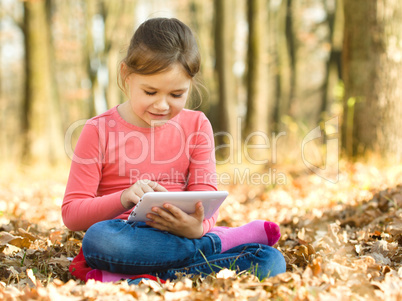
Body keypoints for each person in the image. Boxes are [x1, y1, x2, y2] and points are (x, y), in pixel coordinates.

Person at [62, 17, 286, 284]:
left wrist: (196, 228)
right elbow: (72, 214)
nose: (162, 105)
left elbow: (207, 198)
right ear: (126, 75)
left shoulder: (196, 125)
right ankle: (220, 243)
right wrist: (123, 198)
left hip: (179, 235)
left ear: (190, 84)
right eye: (150, 91)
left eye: (176, 95)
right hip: (124, 236)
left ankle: (129, 277)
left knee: (271, 261)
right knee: (98, 239)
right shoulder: (98, 129)